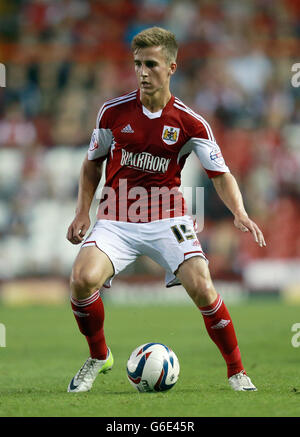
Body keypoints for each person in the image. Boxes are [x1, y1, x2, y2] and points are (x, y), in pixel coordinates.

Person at [66, 27, 266, 393]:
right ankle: (99, 356)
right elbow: (91, 163)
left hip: (167, 218)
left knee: (203, 287)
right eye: (138, 64)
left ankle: (237, 372)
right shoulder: (112, 113)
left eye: (152, 64)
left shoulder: (190, 123)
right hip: (117, 217)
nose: (143, 72)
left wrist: (240, 211)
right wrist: (83, 212)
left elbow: (220, 174)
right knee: (81, 280)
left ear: (172, 67)